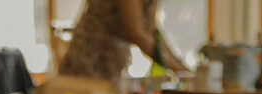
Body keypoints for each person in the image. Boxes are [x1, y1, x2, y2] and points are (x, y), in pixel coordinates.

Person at [58, 0, 186, 81]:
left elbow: (151, 31)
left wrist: (181, 67)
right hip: (91, 57)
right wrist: (177, 69)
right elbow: (136, 33)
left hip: (114, 60)